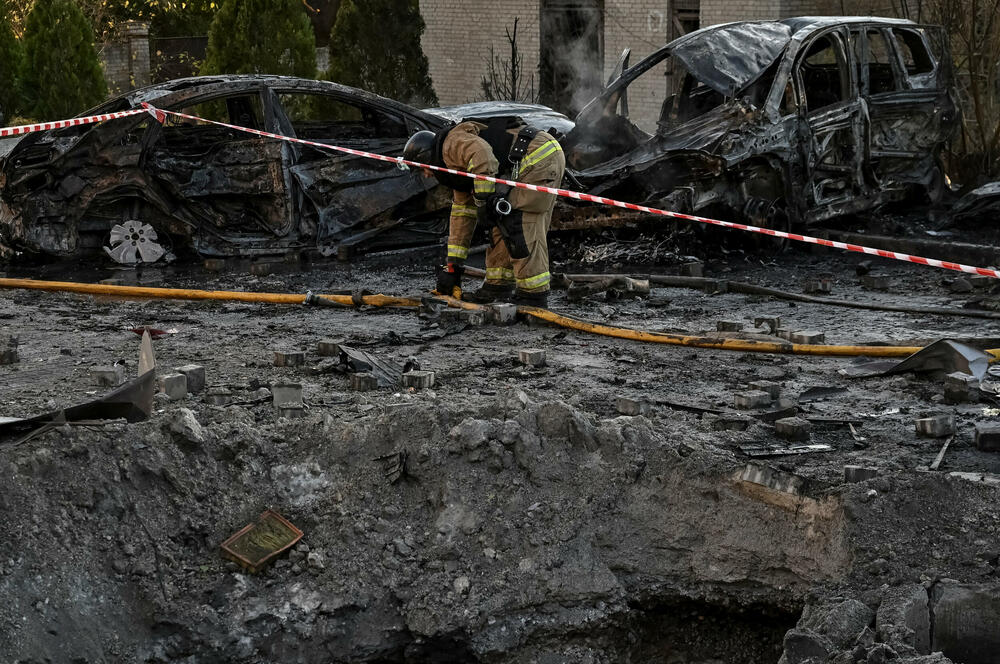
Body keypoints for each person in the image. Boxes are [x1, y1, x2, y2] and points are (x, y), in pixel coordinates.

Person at [402, 118, 565, 307]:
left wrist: (482, 201)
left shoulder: (449, 144)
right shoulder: (455, 170)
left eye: (421, 170)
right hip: (535, 158)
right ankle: (497, 287)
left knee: (518, 222)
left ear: (426, 158)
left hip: (538, 157)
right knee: (500, 219)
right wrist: (453, 267)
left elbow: (483, 156)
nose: (426, 175)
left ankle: (533, 296)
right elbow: (461, 217)